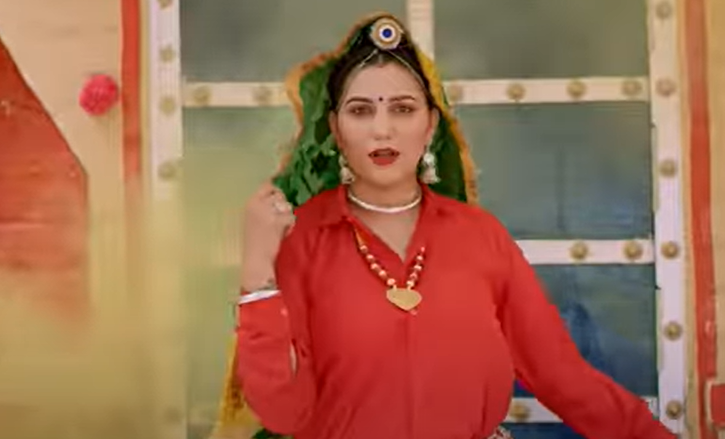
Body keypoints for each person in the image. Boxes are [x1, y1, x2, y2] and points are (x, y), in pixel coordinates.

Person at [211, 12, 676, 439]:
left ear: (431, 124)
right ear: (335, 128)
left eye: (402, 109)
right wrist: (258, 275)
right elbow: (284, 413)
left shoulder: (480, 237)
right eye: (361, 110)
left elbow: (565, 379)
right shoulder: (305, 240)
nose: (382, 129)